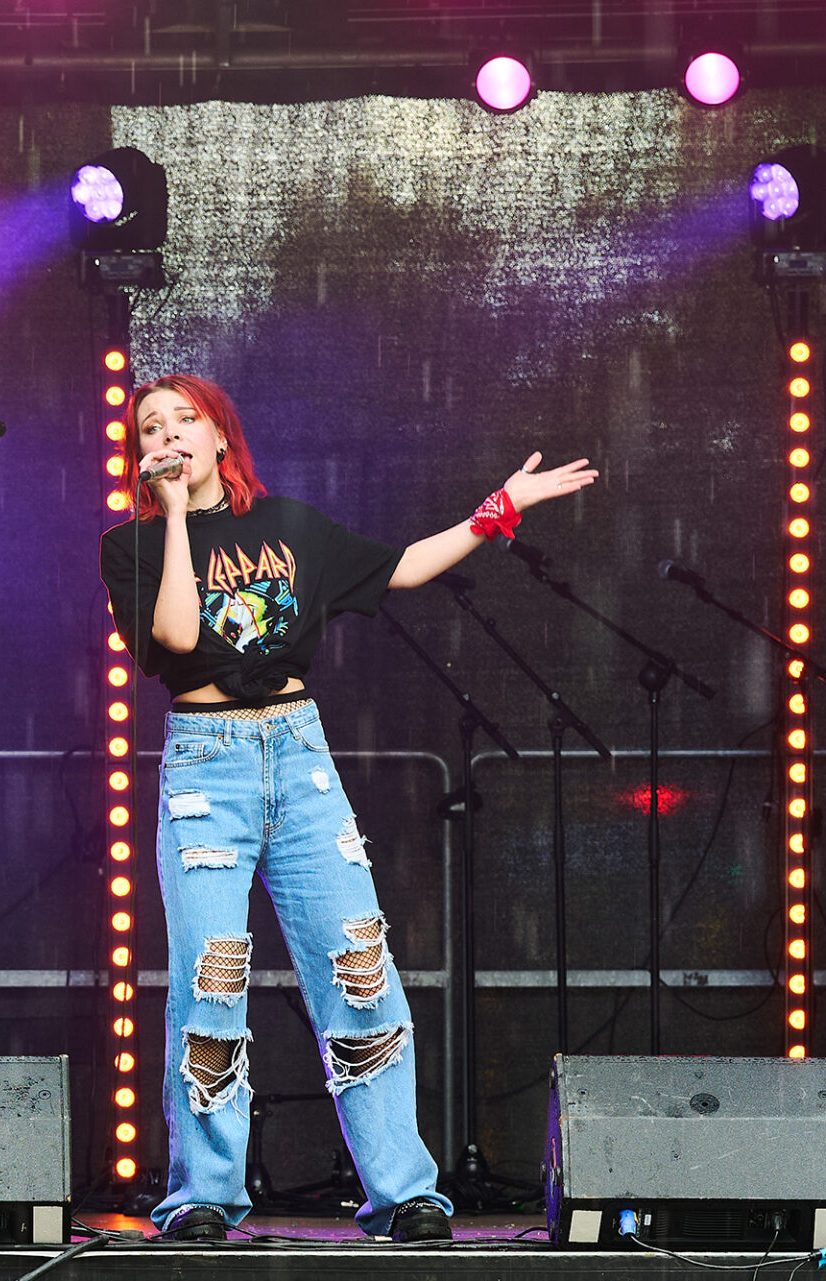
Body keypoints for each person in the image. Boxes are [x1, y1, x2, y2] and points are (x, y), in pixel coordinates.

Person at [98, 374, 595, 1242]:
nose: (170, 434)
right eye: (152, 426)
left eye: (187, 419)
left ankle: (403, 1190)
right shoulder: (130, 547)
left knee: (360, 972)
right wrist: (175, 514)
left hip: (298, 754)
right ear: (141, 455)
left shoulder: (292, 527)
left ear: (222, 436)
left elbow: (401, 567)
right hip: (205, 765)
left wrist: (499, 508)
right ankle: (203, 1192)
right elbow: (176, 637)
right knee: (212, 981)